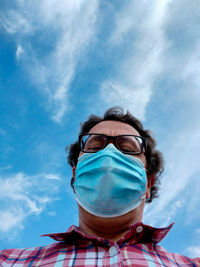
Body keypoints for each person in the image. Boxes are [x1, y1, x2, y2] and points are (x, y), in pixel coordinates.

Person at [0, 107, 199, 266]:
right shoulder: (9, 261)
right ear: (75, 175)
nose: (109, 155)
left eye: (128, 149)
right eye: (95, 147)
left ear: (148, 183)